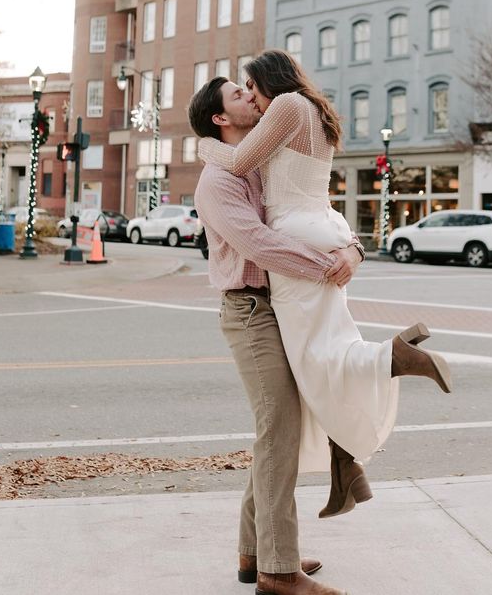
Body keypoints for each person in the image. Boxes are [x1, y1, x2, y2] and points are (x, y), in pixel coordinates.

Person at [197, 51, 452, 518]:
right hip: (318, 229)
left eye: (249, 86)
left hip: (299, 245)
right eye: (240, 93)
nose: (249, 96)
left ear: (267, 80)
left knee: (318, 360)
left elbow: (236, 165)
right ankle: (343, 464)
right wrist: (351, 247)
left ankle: (393, 357)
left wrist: (202, 146)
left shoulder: (287, 108)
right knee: (317, 360)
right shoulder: (306, 111)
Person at [189, 76, 364, 595]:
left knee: (276, 432)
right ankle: (278, 571)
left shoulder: (260, 165)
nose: (251, 96)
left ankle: (255, 552)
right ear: (221, 119)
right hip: (249, 310)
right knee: (280, 431)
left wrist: (352, 249)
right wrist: (324, 265)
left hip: (281, 306)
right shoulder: (216, 182)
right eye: (237, 96)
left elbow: (310, 207)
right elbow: (260, 244)